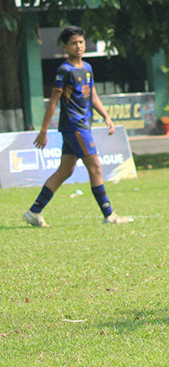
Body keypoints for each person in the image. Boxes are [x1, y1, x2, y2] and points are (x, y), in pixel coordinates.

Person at [23, 26, 133, 227]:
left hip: (83, 125)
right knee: (96, 167)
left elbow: (93, 95)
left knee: (65, 171)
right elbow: (53, 101)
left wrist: (106, 116)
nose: (79, 46)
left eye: (81, 42)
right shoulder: (64, 71)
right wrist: (43, 131)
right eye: (74, 43)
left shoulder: (88, 68)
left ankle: (34, 211)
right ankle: (109, 214)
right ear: (65, 46)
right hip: (75, 126)